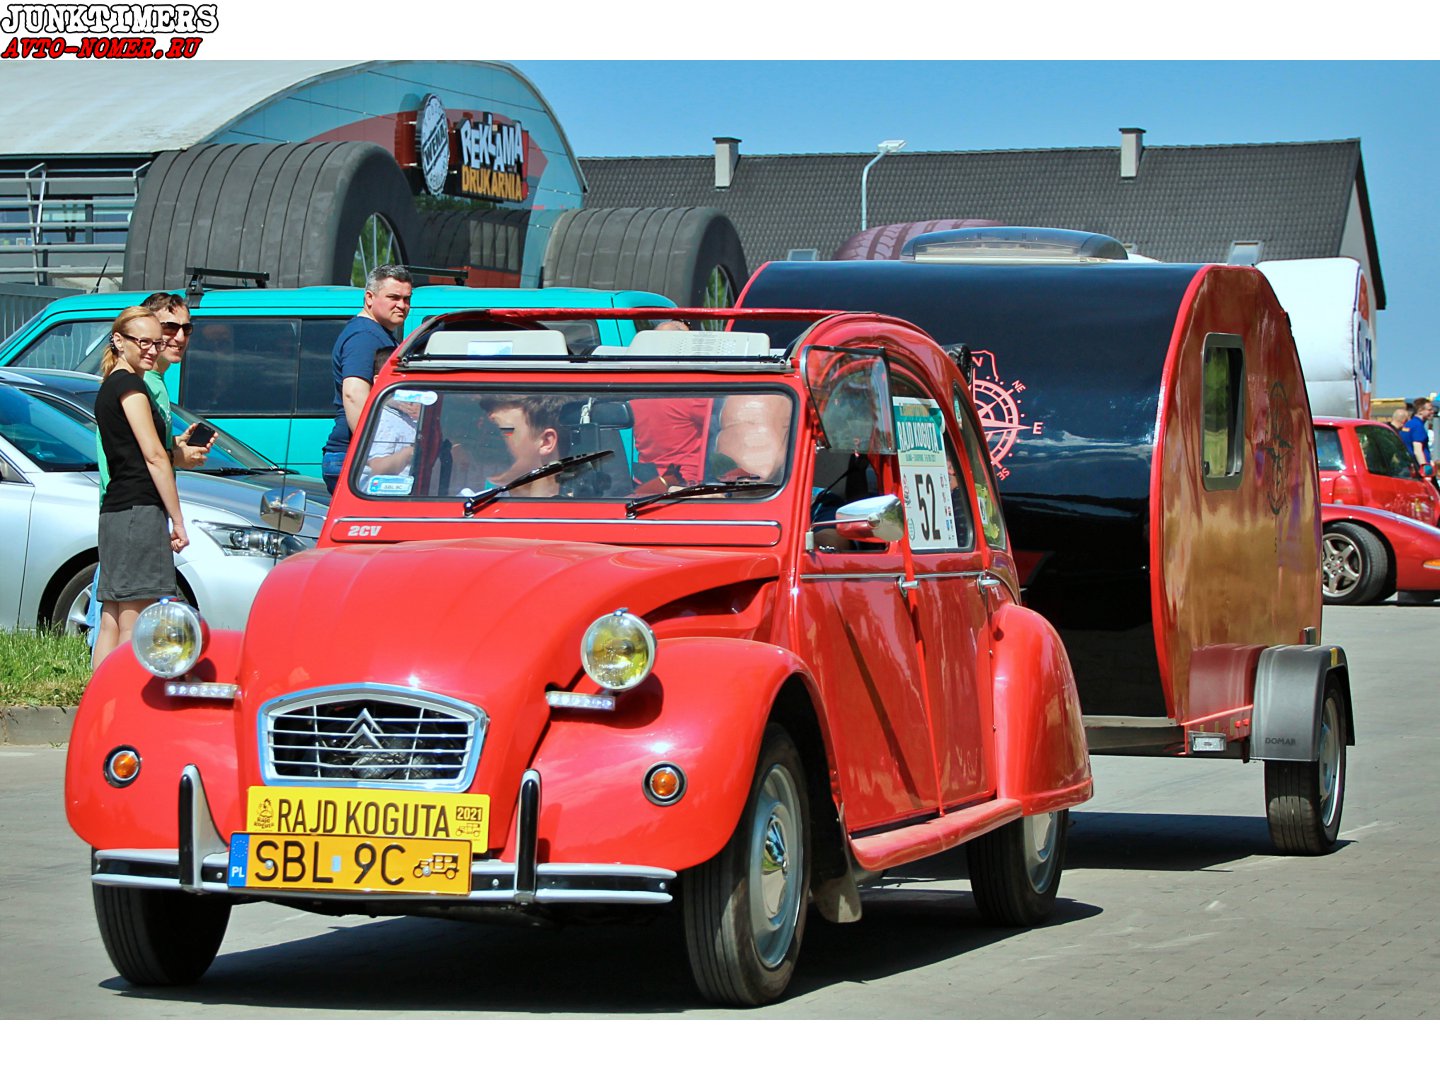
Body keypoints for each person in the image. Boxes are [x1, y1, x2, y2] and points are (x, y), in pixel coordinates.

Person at [86, 292, 213, 648]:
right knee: (135, 624)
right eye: (143, 341)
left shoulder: (112, 384)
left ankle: (101, 702)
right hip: (137, 512)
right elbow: (154, 457)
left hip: (116, 511)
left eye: (156, 342)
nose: (152, 349)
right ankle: (122, 701)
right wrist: (178, 519)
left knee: (112, 619)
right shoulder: (131, 387)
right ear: (119, 340)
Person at [320, 265, 412, 492]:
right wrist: (373, 454)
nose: (402, 305)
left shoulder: (377, 334)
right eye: (393, 297)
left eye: (406, 299)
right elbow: (353, 394)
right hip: (357, 458)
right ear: (369, 298)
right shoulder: (364, 336)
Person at [631, 320, 710, 488]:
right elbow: (725, 422)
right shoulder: (691, 393)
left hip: (647, 482)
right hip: (685, 483)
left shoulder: (636, 390)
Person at [449, 394, 566, 497]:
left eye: (502, 431)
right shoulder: (468, 509)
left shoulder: (580, 515)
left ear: (546, 442)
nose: (485, 439)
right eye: (483, 429)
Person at [361, 347, 421, 482]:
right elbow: (377, 469)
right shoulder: (384, 419)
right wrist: (409, 452)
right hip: (390, 492)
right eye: (400, 376)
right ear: (378, 380)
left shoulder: (408, 415)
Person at [1401, 396, 1435, 485]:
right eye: (1429, 410)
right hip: (1418, 470)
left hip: (1408, 467)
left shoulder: (1408, 425)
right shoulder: (1418, 427)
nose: (1432, 412)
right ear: (1420, 411)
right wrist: (1425, 471)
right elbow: (1418, 450)